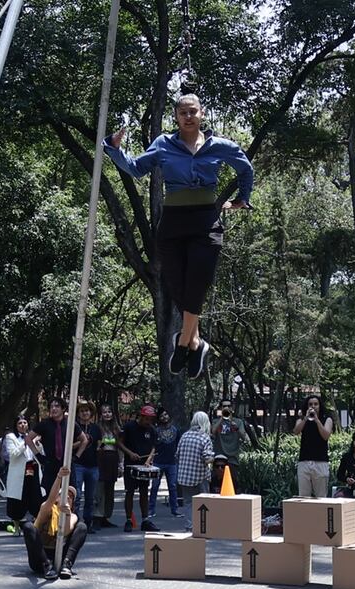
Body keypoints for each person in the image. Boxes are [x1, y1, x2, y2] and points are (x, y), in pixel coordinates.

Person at [104, 93, 254, 380]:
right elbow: (136, 169)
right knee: (177, 285)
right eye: (183, 112)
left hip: (205, 221)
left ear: (202, 113)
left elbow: (245, 168)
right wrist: (114, 150)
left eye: (193, 111)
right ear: (176, 116)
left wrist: (241, 199)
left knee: (199, 277)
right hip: (172, 223)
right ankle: (195, 342)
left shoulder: (219, 146)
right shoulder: (163, 144)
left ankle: (184, 342)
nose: (188, 116)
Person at [21, 466, 88, 580]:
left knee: (82, 527)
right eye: (64, 494)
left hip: (59, 555)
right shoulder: (47, 508)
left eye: (71, 497)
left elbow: (65, 531)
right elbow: (51, 499)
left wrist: (66, 514)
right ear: (57, 498)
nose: (68, 497)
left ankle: (66, 564)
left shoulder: (72, 516)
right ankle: (47, 565)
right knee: (28, 526)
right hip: (40, 557)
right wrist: (59, 477)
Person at [25, 397, 86, 494]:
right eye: (51, 407)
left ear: (63, 409)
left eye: (57, 406)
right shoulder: (44, 424)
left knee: (69, 495)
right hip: (50, 464)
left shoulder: (70, 424)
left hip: (67, 464)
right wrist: (38, 456)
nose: (53, 409)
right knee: (50, 497)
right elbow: (28, 439)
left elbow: (84, 440)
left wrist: (77, 456)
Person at [118, 404, 159, 532]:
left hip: (144, 466)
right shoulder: (129, 426)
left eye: (151, 419)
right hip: (131, 464)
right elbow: (118, 442)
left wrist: (149, 459)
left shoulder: (152, 430)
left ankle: (145, 520)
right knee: (129, 492)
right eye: (147, 419)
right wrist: (129, 453)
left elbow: (153, 447)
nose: (149, 422)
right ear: (141, 416)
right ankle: (129, 519)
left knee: (144, 492)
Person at [176, 411, 215, 532]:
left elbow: (177, 455)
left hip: (184, 477)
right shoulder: (204, 437)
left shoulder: (185, 436)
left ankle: (189, 526)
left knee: (188, 503)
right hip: (200, 476)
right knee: (204, 503)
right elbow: (207, 458)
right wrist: (213, 458)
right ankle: (204, 527)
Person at [4, 414, 43, 528]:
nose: (22, 425)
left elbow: (39, 452)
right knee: (17, 499)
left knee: (36, 496)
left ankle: (37, 524)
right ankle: (16, 525)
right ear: (16, 425)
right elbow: (13, 454)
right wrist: (26, 442)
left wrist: (37, 443)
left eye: (25, 422)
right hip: (19, 472)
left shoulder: (32, 435)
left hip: (33, 469)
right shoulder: (11, 437)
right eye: (20, 423)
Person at [293, 395, 332, 498]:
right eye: (310, 404)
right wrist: (306, 418)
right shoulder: (302, 419)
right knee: (303, 496)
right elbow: (296, 431)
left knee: (321, 496)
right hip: (304, 461)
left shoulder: (326, 419)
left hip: (321, 462)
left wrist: (317, 420)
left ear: (320, 406)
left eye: (316, 404)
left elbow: (326, 436)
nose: (313, 406)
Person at [71, 402, 102, 533]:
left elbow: (100, 444)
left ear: (91, 413)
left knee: (90, 497)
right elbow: (69, 446)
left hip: (93, 466)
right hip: (78, 464)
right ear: (78, 413)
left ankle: (88, 523)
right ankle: (75, 523)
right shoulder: (74, 427)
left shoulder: (96, 428)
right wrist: (82, 441)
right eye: (82, 411)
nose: (85, 413)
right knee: (76, 496)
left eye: (87, 411)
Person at [148, 407, 183, 519]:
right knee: (154, 486)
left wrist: (178, 458)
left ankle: (175, 510)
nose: (164, 417)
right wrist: (150, 459)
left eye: (166, 414)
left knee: (172, 486)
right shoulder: (156, 430)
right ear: (158, 418)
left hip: (172, 462)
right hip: (158, 462)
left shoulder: (175, 430)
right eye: (162, 415)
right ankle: (151, 510)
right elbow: (153, 446)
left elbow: (179, 445)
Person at [93, 404, 121, 528]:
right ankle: (97, 517)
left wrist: (121, 463)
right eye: (104, 412)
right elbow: (99, 444)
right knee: (99, 488)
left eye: (109, 412)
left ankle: (106, 516)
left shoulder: (116, 429)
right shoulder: (97, 428)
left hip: (113, 458)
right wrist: (109, 442)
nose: (107, 414)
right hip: (101, 458)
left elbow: (120, 446)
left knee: (110, 489)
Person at [211, 405, 249, 476]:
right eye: (224, 406)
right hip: (219, 457)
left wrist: (236, 428)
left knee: (231, 483)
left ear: (232, 408)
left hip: (232, 458)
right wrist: (222, 418)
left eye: (229, 406)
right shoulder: (216, 421)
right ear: (221, 408)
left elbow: (244, 437)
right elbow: (213, 431)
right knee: (217, 484)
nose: (227, 407)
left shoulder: (238, 422)